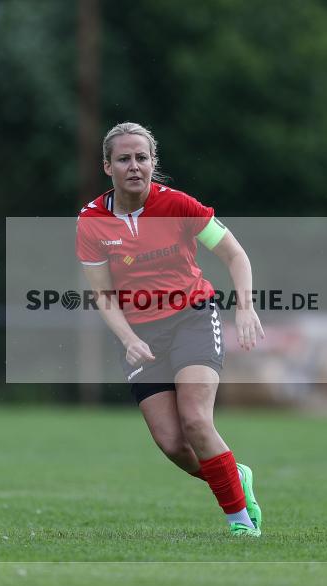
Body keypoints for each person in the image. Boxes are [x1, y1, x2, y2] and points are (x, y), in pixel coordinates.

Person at [76, 122, 265, 536]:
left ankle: (241, 523)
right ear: (107, 166)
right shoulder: (91, 222)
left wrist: (246, 308)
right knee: (174, 445)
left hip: (193, 316)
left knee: (196, 421)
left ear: (153, 162)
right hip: (142, 334)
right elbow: (104, 296)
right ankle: (237, 475)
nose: (134, 166)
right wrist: (129, 339)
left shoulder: (178, 205)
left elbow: (235, 254)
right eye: (123, 158)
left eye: (142, 157)